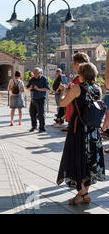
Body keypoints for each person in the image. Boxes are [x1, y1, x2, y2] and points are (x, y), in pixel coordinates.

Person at [56, 62, 105, 205]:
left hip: (78, 129)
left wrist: (63, 91)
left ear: (81, 74)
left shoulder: (78, 88)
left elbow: (63, 104)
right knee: (89, 160)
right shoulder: (98, 88)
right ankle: (85, 192)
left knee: (76, 158)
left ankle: (82, 193)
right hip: (93, 131)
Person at [63, 52, 90, 132]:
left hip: (77, 117)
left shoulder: (81, 79)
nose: (72, 64)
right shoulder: (85, 78)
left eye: (73, 62)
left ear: (78, 63)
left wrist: (64, 91)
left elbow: (64, 102)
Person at [26, 67, 50, 133]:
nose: (34, 74)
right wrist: (30, 88)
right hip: (33, 99)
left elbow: (48, 89)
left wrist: (38, 89)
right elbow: (27, 89)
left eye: (36, 73)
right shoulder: (32, 79)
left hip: (41, 99)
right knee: (32, 113)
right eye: (34, 73)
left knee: (41, 114)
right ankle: (34, 126)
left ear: (40, 73)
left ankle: (42, 128)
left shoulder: (44, 79)